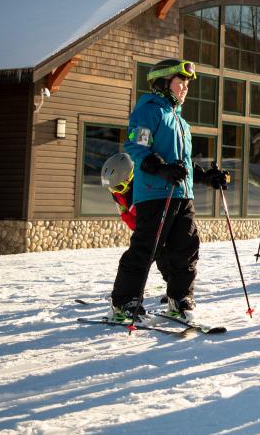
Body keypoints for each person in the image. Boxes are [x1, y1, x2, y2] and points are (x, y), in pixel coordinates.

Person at [110, 58, 228, 322]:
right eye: (181, 81)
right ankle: (124, 301)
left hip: (181, 195)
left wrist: (207, 177)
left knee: (186, 248)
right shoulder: (149, 111)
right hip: (154, 193)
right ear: (164, 83)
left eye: (187, 82)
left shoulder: (180, 120)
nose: (185, 87)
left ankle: (179, 297)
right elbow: (136, 147)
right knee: (147, 248)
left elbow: (182, 163)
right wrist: (161, 168)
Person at [101, 152, 170, 287]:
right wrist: (140, 230)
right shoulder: (118, 195)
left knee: (167, 260)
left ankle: (174, 286)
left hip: (159, 228)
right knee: (137, 261)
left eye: (118, 187)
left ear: (129, 178)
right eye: (111, 188)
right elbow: (125, 215)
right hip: (143, 230)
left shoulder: (141, 190)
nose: (115, 191)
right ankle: (131, 291)